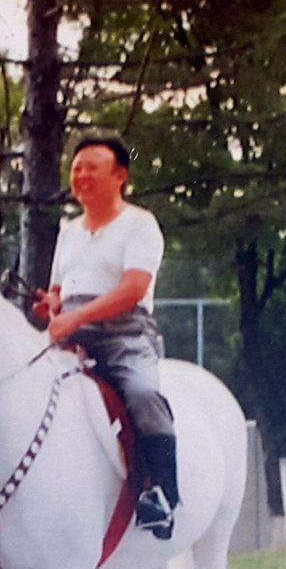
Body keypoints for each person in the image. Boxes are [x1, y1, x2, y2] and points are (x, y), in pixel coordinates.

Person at [32, 133, 179, 538]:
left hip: (124, 334)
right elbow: (60, 288)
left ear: (120, 177)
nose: (80, 176)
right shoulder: (69, 231)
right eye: (76, 168)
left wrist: (76, 317)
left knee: (144, 395)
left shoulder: (139, 224)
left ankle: (164, 496)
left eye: (91, 168)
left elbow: (133, 289)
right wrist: (54, 304)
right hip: (71, 332)